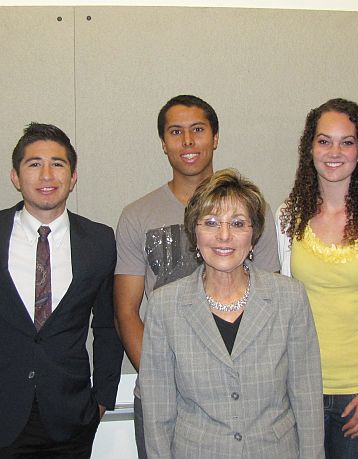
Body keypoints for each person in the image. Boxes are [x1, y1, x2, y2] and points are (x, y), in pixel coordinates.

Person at [114, 94, 281, 458]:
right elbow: (126, 311)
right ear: (163, 143)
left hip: (244, 400)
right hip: (164, 396)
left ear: (215, 137)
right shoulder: (136, 215)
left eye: (198, 130)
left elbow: (270, 309)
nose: (188, 141)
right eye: (176, 132)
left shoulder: (253, 212)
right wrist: (165, 378)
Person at [140, 168, 324, 458]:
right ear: (195, 233)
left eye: (238, 223)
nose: (224, 236)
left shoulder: (290, 298)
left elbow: (307, 398)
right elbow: (157, 412)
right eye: (211, 222)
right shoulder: (165, 306)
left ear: (253, 235)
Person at [0, 123, 123, 458]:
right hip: (0, 418)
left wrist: (102, 399)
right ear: (15, 176)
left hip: (72, 419)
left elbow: (108, 325)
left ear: (73, 176)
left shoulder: (99, 241)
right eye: (34, 164)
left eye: (58, 163)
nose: (47, 174)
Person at [277, 98, 358, 458]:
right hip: (300, 390)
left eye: (346, 142)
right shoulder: (288, 217)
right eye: (324, 141)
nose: (334, 151)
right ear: (310, 148)